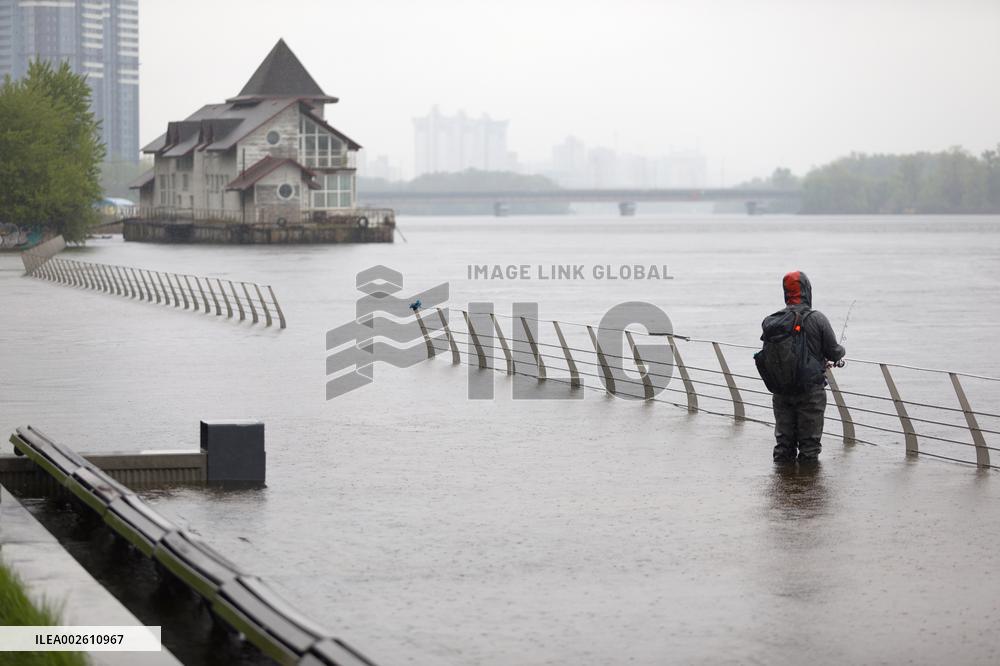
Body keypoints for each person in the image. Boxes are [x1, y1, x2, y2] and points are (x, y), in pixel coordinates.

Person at [763, 271, 845, 463]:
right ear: (807, 291)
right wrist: (840, 352)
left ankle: (783, 487)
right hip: (810, 392)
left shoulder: (771, 321)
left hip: (781, 390)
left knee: (784, 444)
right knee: (809, 446)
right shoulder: (817, 318)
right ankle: (807, 488)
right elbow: (834, 351)